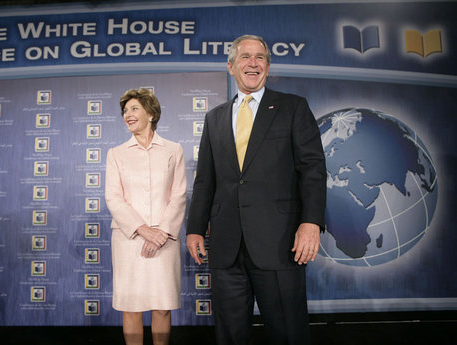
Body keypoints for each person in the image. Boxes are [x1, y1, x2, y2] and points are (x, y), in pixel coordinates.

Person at [186, 35, 326, 345]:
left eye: (260, 57)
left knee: (288, 333)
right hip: (227, 247)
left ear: (267, 66)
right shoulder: (214, 118)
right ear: (231, 66)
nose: (253, 62)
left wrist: (311, 222)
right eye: (246, 57)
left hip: (280, 243)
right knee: (231, 336)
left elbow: (313, 170)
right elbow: (205, 180)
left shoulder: (292, 107)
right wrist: (195, 228)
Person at [105, 88, 187, 345]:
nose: (127, 115)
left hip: (165, 239)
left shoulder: (173, 150)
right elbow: (114, 198)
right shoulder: (116, 153)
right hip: (130, 240)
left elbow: (179, 195)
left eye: (134, 109)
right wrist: (143, 230)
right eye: (125, 111)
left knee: (162, 306)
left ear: (151, 114)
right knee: (131, 306)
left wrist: (160, 232)